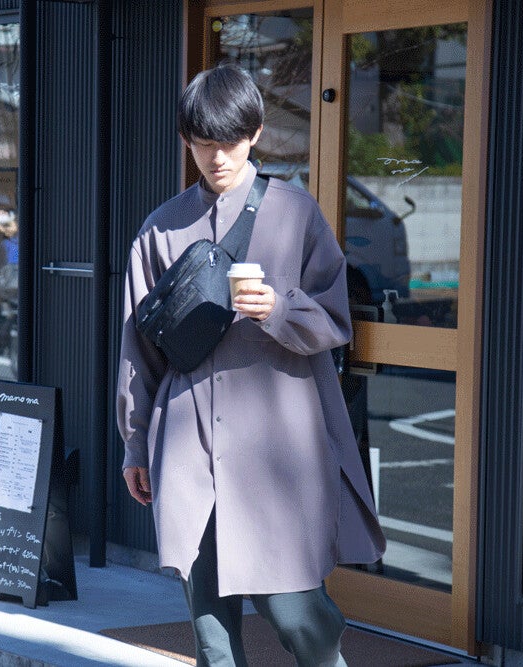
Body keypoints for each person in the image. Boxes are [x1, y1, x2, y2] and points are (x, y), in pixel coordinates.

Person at [116, 65, 386, 667]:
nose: (216, 157)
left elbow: (336, 321)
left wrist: (280, 308)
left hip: (276, 448)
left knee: (298, 616)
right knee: (213, 637)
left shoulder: (295, 213)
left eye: (229, 141)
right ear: (186, 140)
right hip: (189, 446)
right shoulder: (160, 229)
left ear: (256, 134)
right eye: (202, 143)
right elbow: (139, 350)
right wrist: (135, 444)